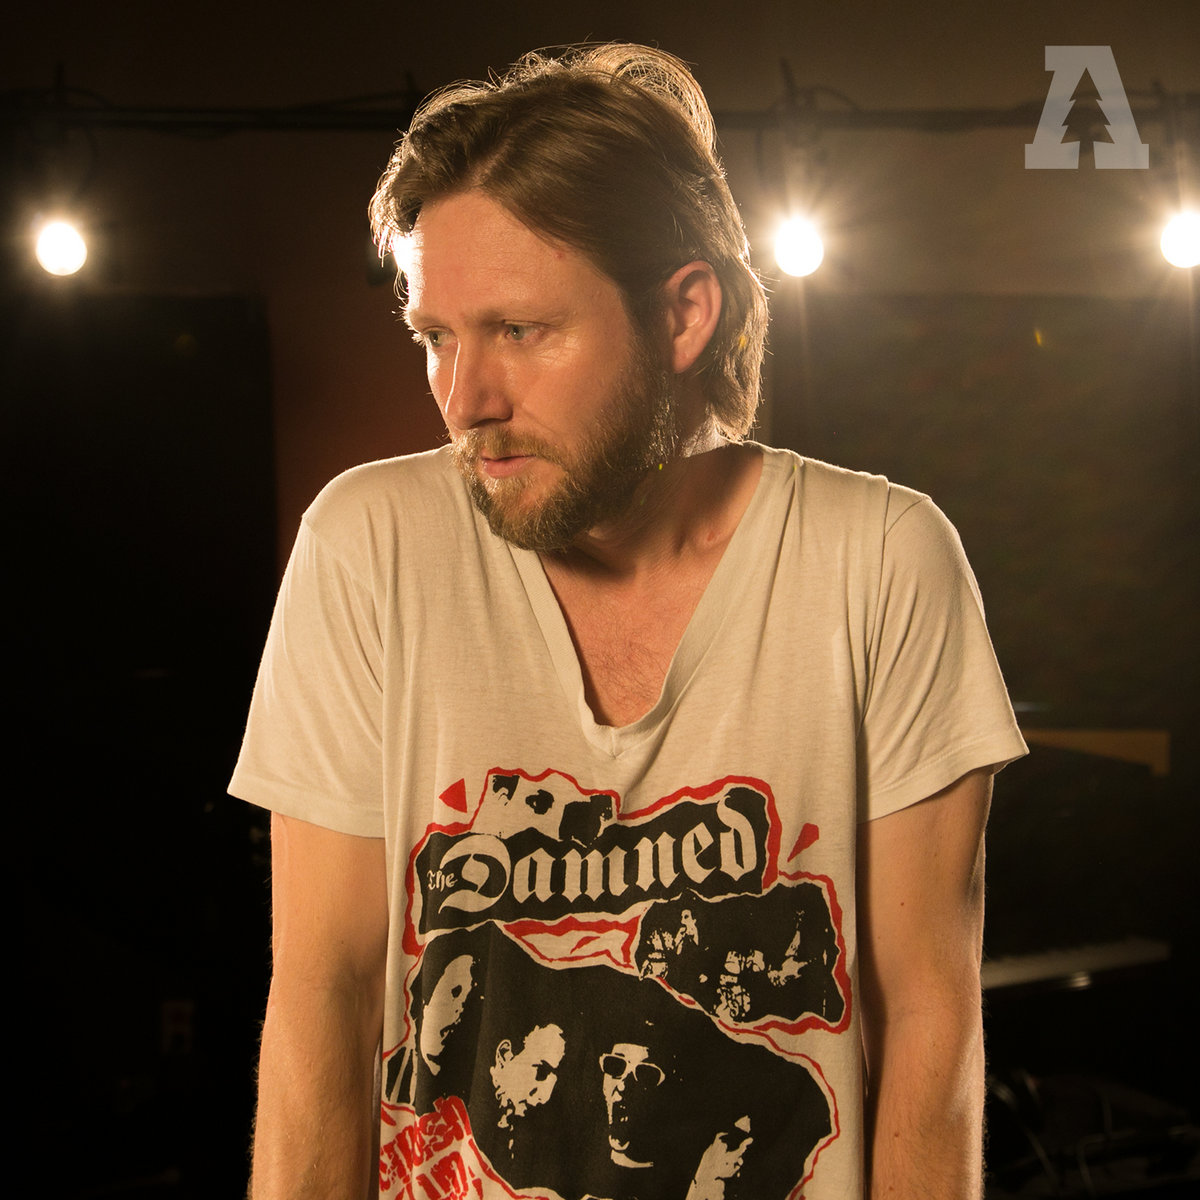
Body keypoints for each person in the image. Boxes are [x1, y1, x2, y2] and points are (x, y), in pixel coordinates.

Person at [231, 41, 1028, 1200]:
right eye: (437, 337)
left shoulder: (881, 561)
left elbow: (928, 1026)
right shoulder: (367, 551)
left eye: (520, 330)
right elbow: (324, 999)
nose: (466, 399)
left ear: (685, 314)